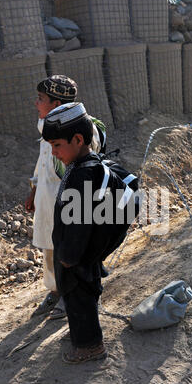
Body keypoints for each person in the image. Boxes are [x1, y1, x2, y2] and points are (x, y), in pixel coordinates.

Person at [25, 75, 106, 319]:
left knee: (71, 250)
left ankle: (72, 296)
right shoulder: (45, 126)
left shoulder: (82, 128)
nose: (36, 103)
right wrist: (34, 190)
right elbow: (43, 161)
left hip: (71, 200)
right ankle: (56, 290)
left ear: (57, 103)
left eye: (41, 99)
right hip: (48, 199)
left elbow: (87, 161)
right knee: (50, 249)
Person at [42, 102, 113, 364]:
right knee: (78, 301)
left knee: (79, 298)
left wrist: (69, 256)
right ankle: (83, 335)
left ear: (78, 139)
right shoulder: (82, 164)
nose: (54, 152)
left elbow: (80, 222)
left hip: (75, 257)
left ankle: (90, 347)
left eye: (57, 145)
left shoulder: (83, 175)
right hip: (79, 255)